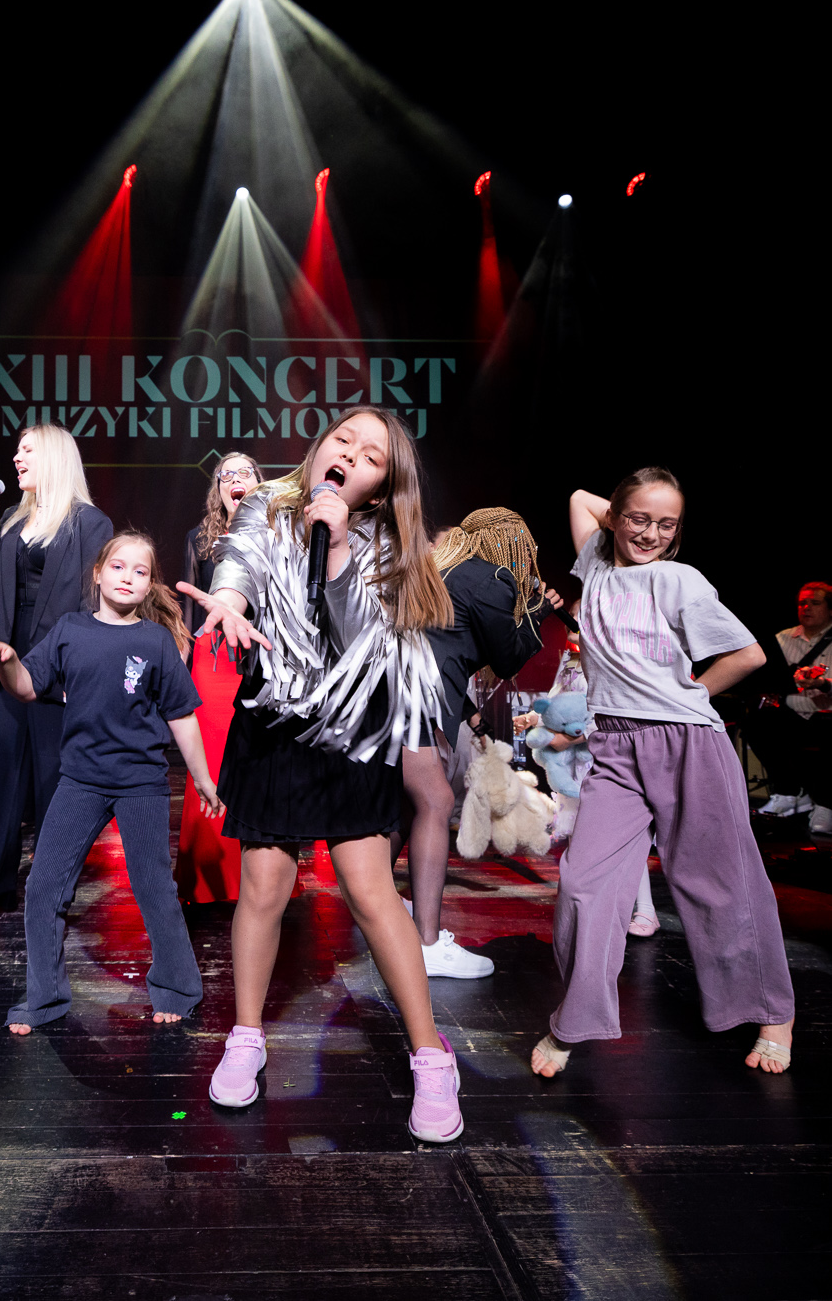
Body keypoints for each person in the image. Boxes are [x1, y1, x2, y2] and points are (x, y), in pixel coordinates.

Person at [176, 406, 466, 1143]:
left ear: (382, 485)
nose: (350, 455)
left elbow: (359, 635)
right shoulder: (269, 505)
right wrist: (230, 602)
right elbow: (240, 563)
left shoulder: (391, 545)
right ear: (322, 444)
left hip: (351, 727)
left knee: (369, 890)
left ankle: (431, 1055)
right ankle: (246, 1036)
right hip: (274, 719)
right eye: (345, 440)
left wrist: (334, 545)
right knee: (264, 886)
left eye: (371, 456)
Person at [530, 469, 794, 1080]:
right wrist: (627, 515)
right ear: (615, 519)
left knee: (718, 882)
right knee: (583, 883)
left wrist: (689, 694)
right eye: (639, 520)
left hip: (686, 742)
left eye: (667, 524)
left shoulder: (679, 578)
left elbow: (749, 654)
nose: (651, 534)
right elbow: (578, 498)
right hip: (614, 746)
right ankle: (577, 1016)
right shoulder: (596, 568)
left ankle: (772, 1012)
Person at [0, 529, 219, 1033]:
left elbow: (181, 715)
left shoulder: (155, 640)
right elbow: (27, 686)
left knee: (154, 890)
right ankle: (45, 998)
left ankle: (177, 987)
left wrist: (202, 778)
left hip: (140, 782)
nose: (128, 577)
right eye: (118, 566)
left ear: (150, 584)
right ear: (98, 573)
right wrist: (8, 662)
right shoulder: (70, 629)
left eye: (140, 571)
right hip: (80, 781)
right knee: (44, 888)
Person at [0, 423, 113, 922]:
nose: (16, 457)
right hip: (4, 653)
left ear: (53, 457)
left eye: (27, 449)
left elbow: (94, 603)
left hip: (59, 660)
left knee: (55, 779)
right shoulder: (12, 518)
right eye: (17, 449)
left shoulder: (90, 523)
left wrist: (82, 672)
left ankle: (51, 890)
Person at [409, 508, 555, 977]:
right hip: (422, 698)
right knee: (435, 802)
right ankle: (426, 943)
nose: (525, 560)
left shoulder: (440, 568)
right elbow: (507, 658)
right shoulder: (491, 577)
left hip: (398, 691)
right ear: (507, 543)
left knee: (401, 808)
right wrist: (537, 611)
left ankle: (389, 911)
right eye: (523, 550)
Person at [175, 452, 266, 904]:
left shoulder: (277, 536)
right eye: (225, 475)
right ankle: (205, 873)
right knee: (209, 758)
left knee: (255, 759)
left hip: (259, 655)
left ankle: (259, 877)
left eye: (244, 472)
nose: (234, 479)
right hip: (212, 662)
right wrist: (183, 663)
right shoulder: (199, 539)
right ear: (218, 490)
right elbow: (189, 613)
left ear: (258, 483)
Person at [743, 581, 832, 838]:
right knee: (757, 720)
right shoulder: (782, 638)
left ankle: (826, 806)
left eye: (814, 603)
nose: (806, 608)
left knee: (825, 726)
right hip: (800, 713)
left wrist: (824, 684)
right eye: (802, 603)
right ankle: (789, 792)